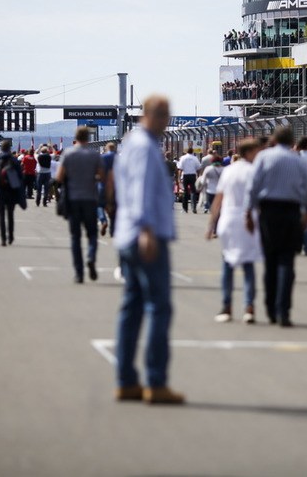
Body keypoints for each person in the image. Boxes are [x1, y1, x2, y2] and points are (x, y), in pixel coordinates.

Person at [114, 95, 183, 404]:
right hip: (147, 233)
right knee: (159, 306)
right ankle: (155, 381)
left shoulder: (130, 143)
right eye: (166, 116)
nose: (167, 123)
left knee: (133, 306)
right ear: (155, 115)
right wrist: (147, 230)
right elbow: (141, 188)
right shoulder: (144, 147)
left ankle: (126, 380)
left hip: (129, 232)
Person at [244, 126, 307, 327]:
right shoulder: (299, 161)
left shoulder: (264, 158)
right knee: (287, 262)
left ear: (273, 140)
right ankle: (284, 311)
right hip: (291, 212)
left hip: (269, 212)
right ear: (292, 142)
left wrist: (249, 211)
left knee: (270, 262)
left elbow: (253, 186)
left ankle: (271, 309)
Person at [207, 138, 264, 323]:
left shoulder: (229, 171)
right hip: (249, 219)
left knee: (227, 264)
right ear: (249, 153)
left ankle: (226, 306)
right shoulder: (255, 171)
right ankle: (249, 307)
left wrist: (211, 225)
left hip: (228, 219)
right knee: (248, 265)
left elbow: (218, 199)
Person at [56, 127, 104, 284]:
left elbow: (59, 177)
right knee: (92, 234)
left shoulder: (68, 154)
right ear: (88, 138)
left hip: (73, 199)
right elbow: (102, 176)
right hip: (90, 198)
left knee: (75, 237)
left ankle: (79, 272)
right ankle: (90, 257)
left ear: (75, 138)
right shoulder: (94, 155)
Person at [0, 140, 23, 246]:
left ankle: (3, 238)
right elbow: (21, 177)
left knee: (1, 215)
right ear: (9, 149)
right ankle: (11, 236)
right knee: (10, 214)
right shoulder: (15, 161)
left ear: (1, 148)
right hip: (12, 190)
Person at [98, 143, 117, 237]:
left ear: (106, 149)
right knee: (114, 208)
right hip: (116, 187)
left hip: (102, 185)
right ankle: (112, 230)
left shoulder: (102, 158)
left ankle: (103, 220)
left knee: (99, 205)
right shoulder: (120, 158)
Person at [177, 148, 200, 213]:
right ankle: (193, 207)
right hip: (193, 175)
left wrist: (179, 178)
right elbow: (198, 168)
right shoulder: (195, 158)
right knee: (193, 191)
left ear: (186, 151)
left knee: (185, 192)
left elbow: (180, 169)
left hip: (185, 175)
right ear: (192, 152)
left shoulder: (183, 158)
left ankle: (185, 208)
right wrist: (198, 175)